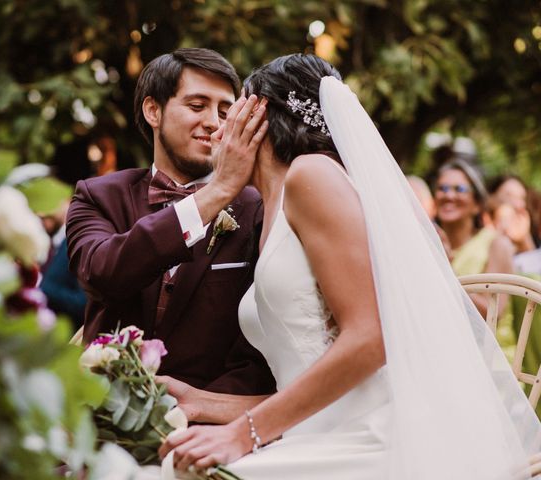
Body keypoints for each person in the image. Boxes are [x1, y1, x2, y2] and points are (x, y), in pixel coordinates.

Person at [157, 54, 541, 479]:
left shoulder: (312, 176)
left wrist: (242, 435)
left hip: (374, 439)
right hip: (318, 433)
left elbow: (370, 339)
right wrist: (200, 401)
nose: (219, 127)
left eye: (233, 112)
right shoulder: (271, 209)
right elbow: (309, 382)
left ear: (258, 117)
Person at [65, 48, 275, 398]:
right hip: (99, 413)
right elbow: (102, 274)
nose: (213, 122)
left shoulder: (256, 208)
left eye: (225, 111)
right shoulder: (97, 195)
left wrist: (193, 417)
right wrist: (217, 192)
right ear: (153, 111)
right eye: (197, 106)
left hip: (210, 430)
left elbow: (258, 351)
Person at [433, 159, 514, 318]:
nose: (449, 195)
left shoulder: (496, 244)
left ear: (477, 204)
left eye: (460, 189)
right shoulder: (430, 244)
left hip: (488, 342)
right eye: (442, 188)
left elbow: (493, 314)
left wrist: (447, 272)